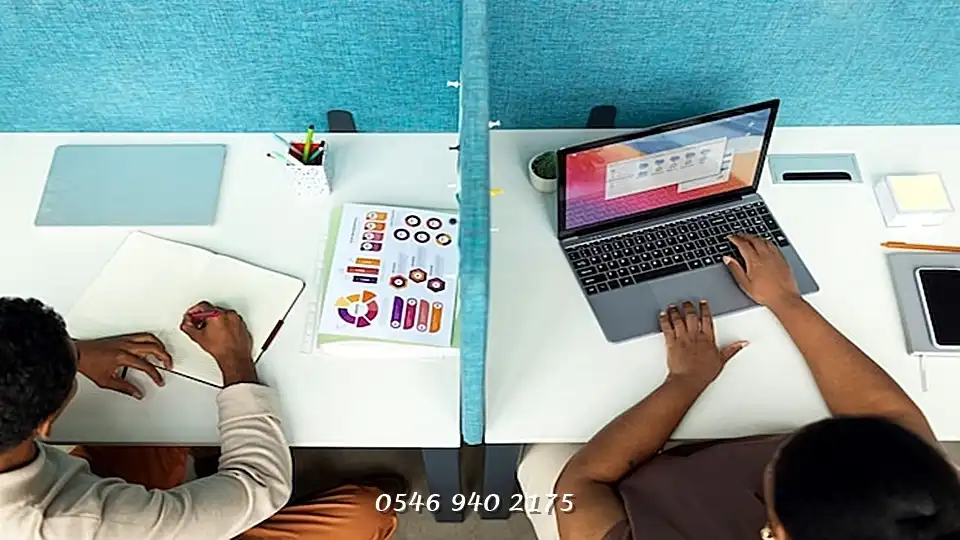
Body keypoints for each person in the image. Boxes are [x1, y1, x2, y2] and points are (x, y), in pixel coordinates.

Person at [553, 234, 960, 540]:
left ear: (778, 530)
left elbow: (581, 484)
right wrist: (785, 300)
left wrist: (685, 381)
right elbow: (889, 416)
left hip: (642, 480)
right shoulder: (924, 507)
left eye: (775, 465)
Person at [0, 298, 398, 539]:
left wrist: (72, 352)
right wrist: (236, 362)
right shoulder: (78, 524)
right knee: (367, 512)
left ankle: (211, 472)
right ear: (44, 425)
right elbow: (258, 483)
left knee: (155, 418)